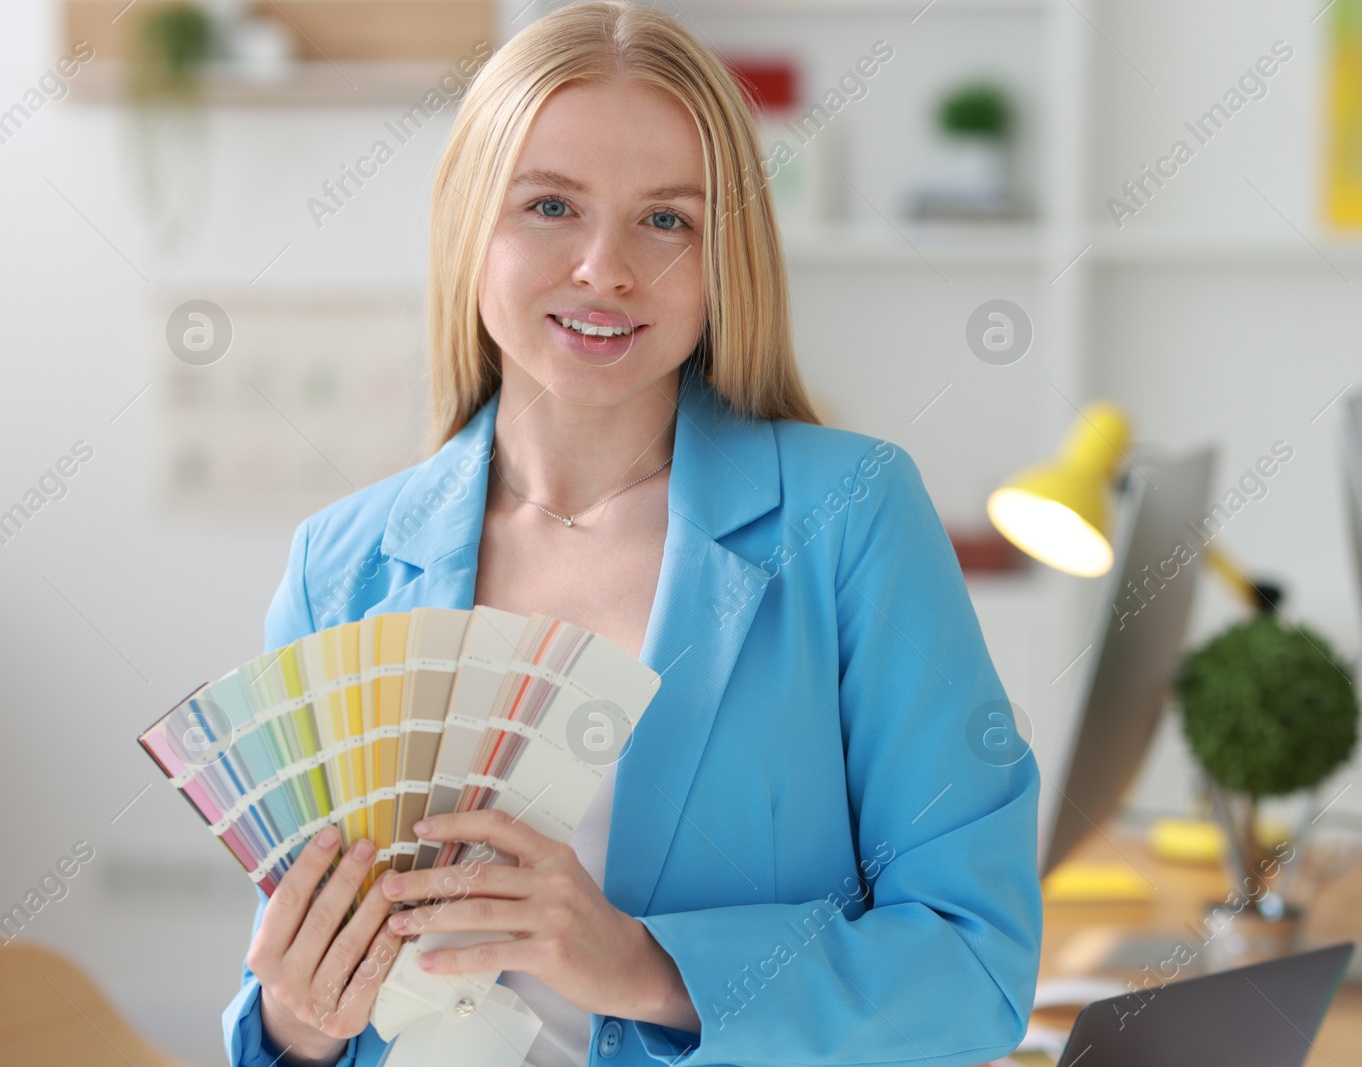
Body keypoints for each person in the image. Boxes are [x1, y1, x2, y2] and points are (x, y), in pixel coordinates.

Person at [221, 4, 1041, 1066]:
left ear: (723, 256)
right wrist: (297, 1022)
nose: (606, 267)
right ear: (471, 224)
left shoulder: (851, 518)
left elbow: (974, 968)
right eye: (551, 205)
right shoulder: (338, 569)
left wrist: (640, 963)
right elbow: (285, 1013)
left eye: (667, 220)